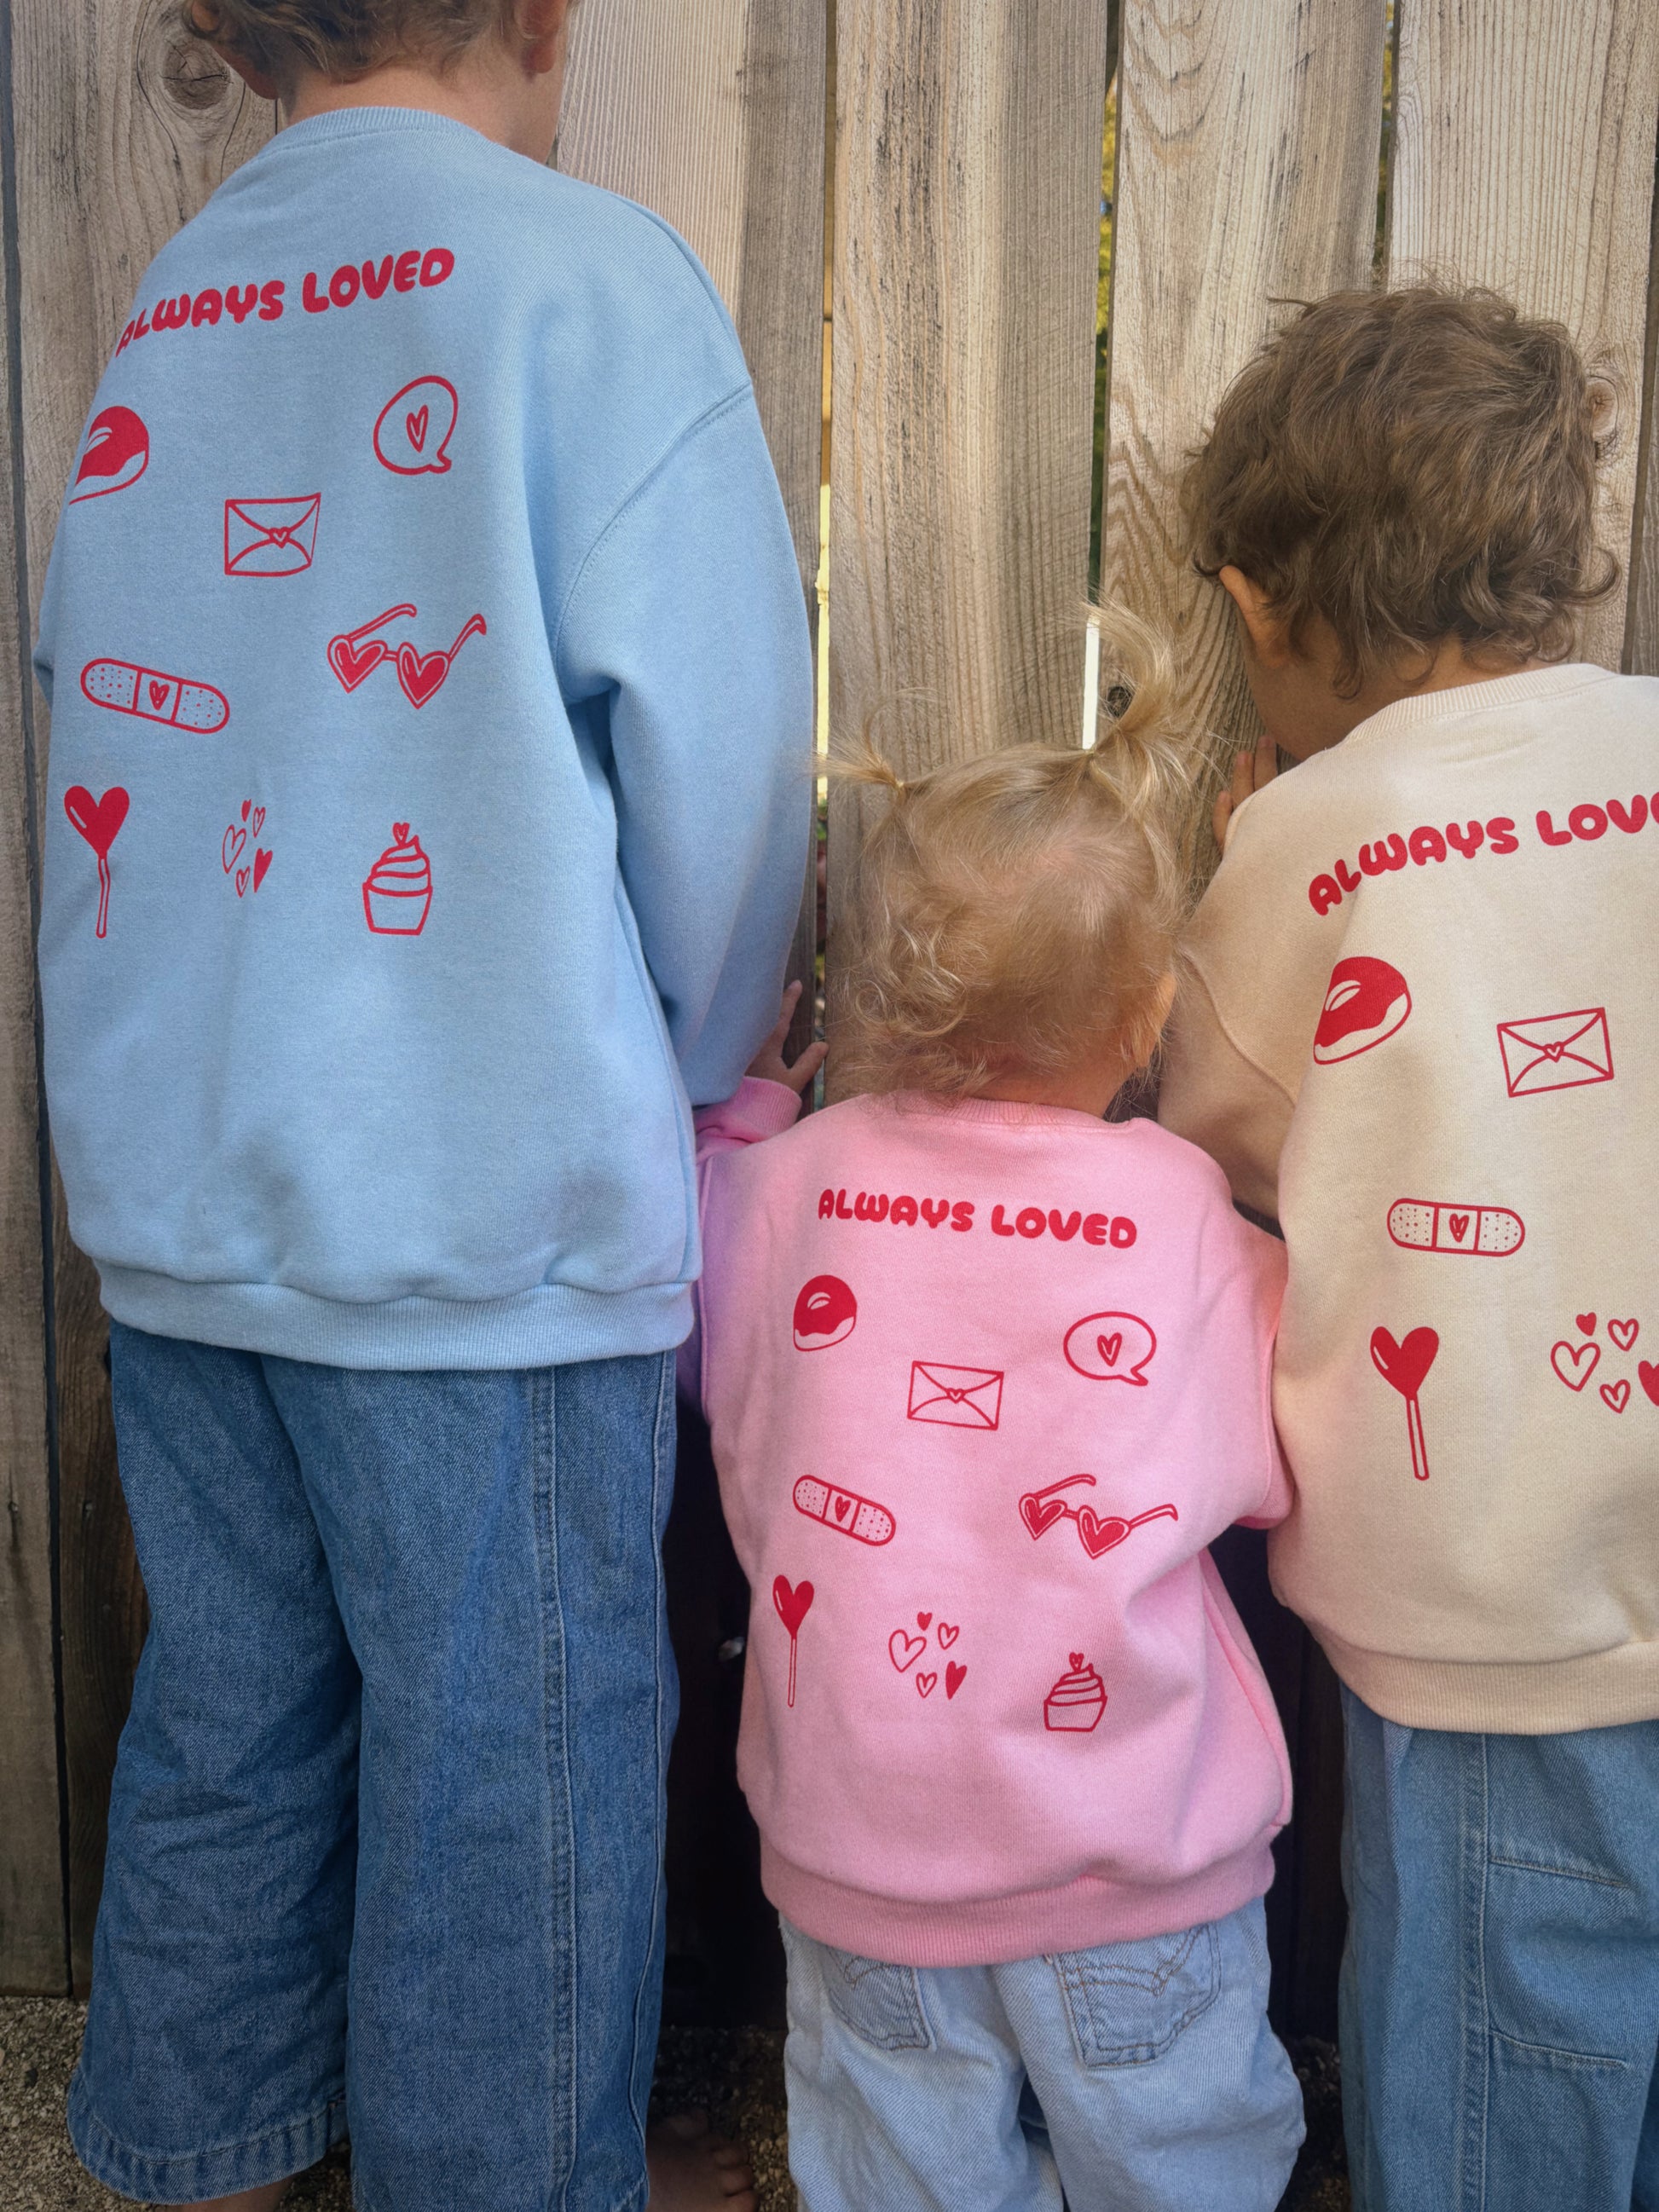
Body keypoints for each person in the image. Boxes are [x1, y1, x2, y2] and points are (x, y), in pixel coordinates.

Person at [35, 2, 811, 2206]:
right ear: (543, 14)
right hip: (479, 1214)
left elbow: (107, 703)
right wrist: (701, 1054)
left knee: (230, 1709)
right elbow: (727, 756)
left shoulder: (174, 308)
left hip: (187, 1202)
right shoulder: (587, 280)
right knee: (509, 1771)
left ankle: (196, 2160)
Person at [683, 609, 1307, 2212]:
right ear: (1145, 1015)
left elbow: (684, 1299)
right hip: (1132, 1851)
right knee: (1178, 2161)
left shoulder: (786, 1191)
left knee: (902, 2163)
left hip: (858, 1851)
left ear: (873, 988)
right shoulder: (1179, 1215)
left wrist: (747, 1108)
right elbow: (1279, 1450)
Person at [1160, 285, 1659, 2211]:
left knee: (1497, 2055)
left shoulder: (1321, 830)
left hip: (1485, 1601)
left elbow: (1223, 1134)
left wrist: (1247, 861)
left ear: (1261, 606)